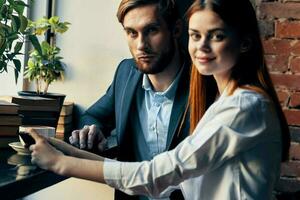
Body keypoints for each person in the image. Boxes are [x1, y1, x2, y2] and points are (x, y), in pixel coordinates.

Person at [29, 0, 291, 199]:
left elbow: (156, 174)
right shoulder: (228, 102)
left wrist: (61, 163)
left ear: (244, 43)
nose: (202, 47)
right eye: (196, 35)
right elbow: (168, 177)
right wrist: (68, 150)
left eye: (217, 36)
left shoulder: (244, 106)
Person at [68, 0, 190, 199]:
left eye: (151, 30)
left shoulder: (204, 81)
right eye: (132, 33)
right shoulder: (126, 73)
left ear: (175, 29)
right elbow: (92, 116)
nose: (141, 45)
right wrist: (93, 130)